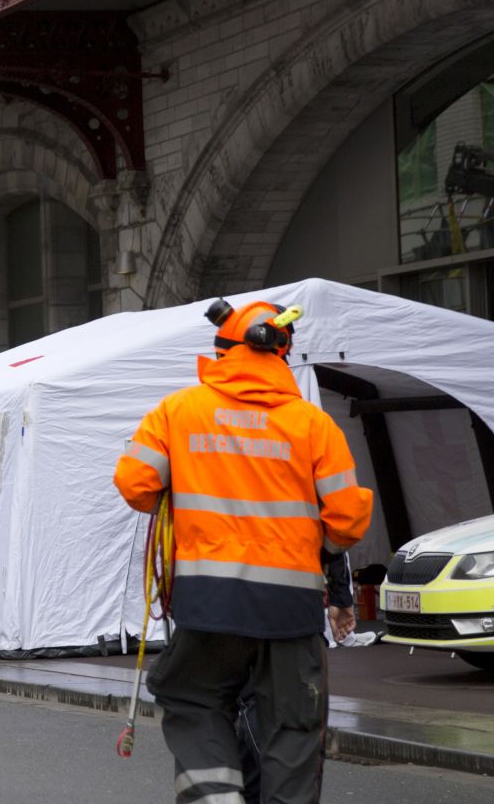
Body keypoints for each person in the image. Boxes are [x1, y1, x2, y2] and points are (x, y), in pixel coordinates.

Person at [115, 298, 374, 804]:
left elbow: (135, 486)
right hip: (291, 612)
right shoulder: (313, 425)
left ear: (222, 351)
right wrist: (309, 544)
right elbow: (348, 521)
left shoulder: (179, 411)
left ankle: (217, 796)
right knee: (293, 728)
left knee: (193, 698)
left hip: (207, 604)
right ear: (282, 354)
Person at [235, 551, 356, 800]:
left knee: (239, 713)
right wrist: (340, 595)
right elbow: (341, 528)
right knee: (292, 718)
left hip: (222, 605)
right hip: (295, 603)